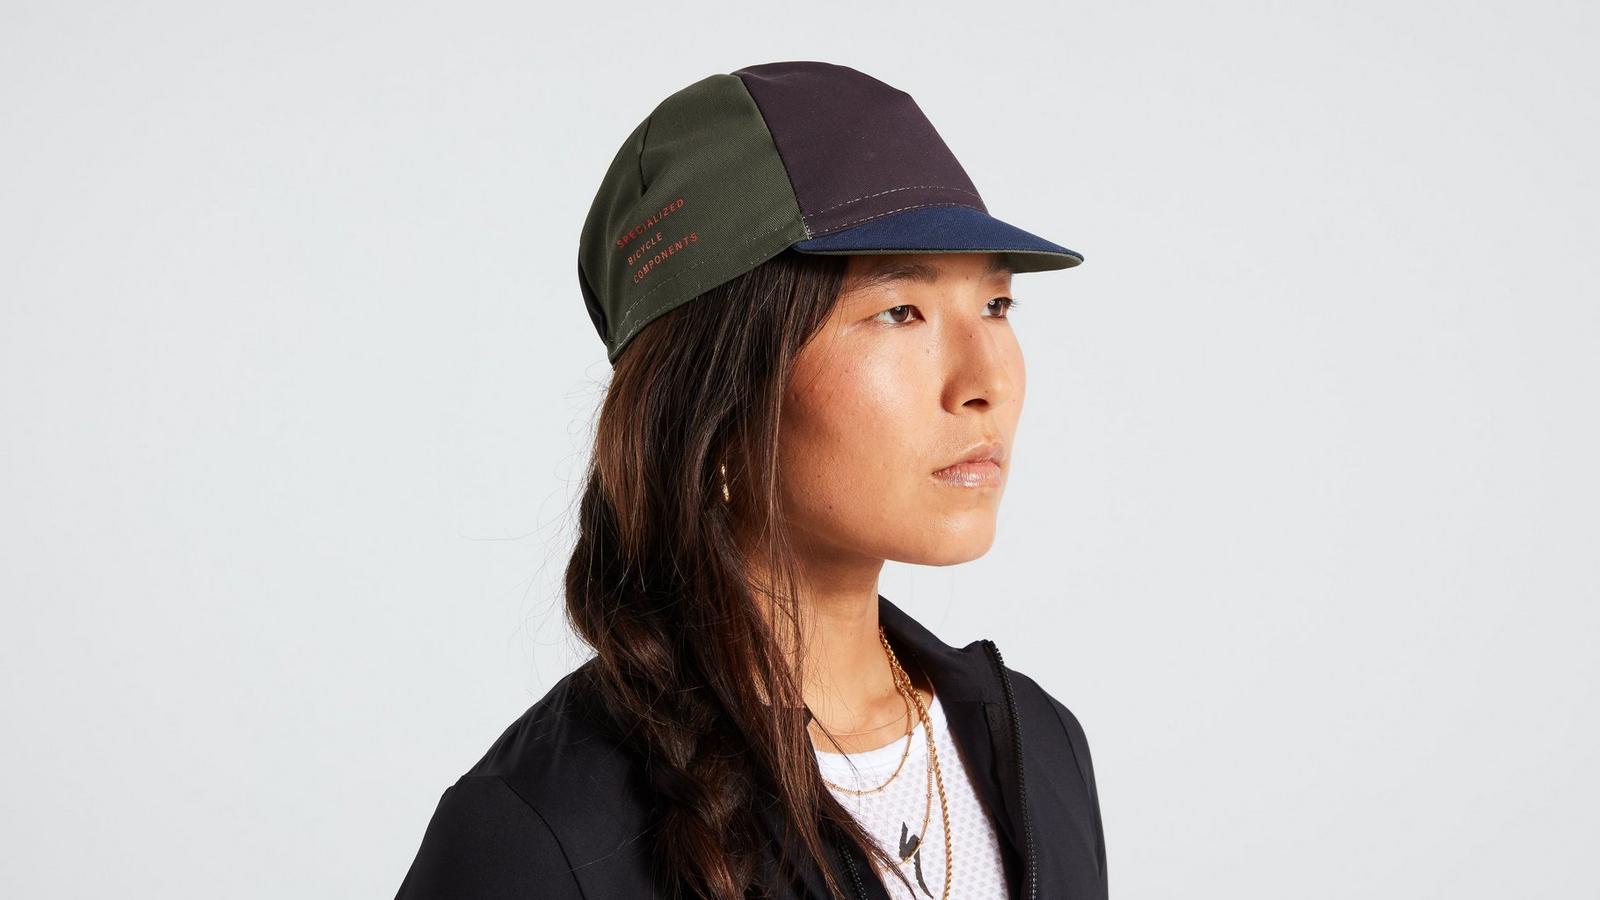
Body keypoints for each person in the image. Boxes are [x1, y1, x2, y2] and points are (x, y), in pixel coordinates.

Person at [394, 60, 1107, 900]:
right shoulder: (541, 833)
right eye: (899, 311)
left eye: (996, 305)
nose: (985, 381)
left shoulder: (1037, 745)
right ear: (718, 396)